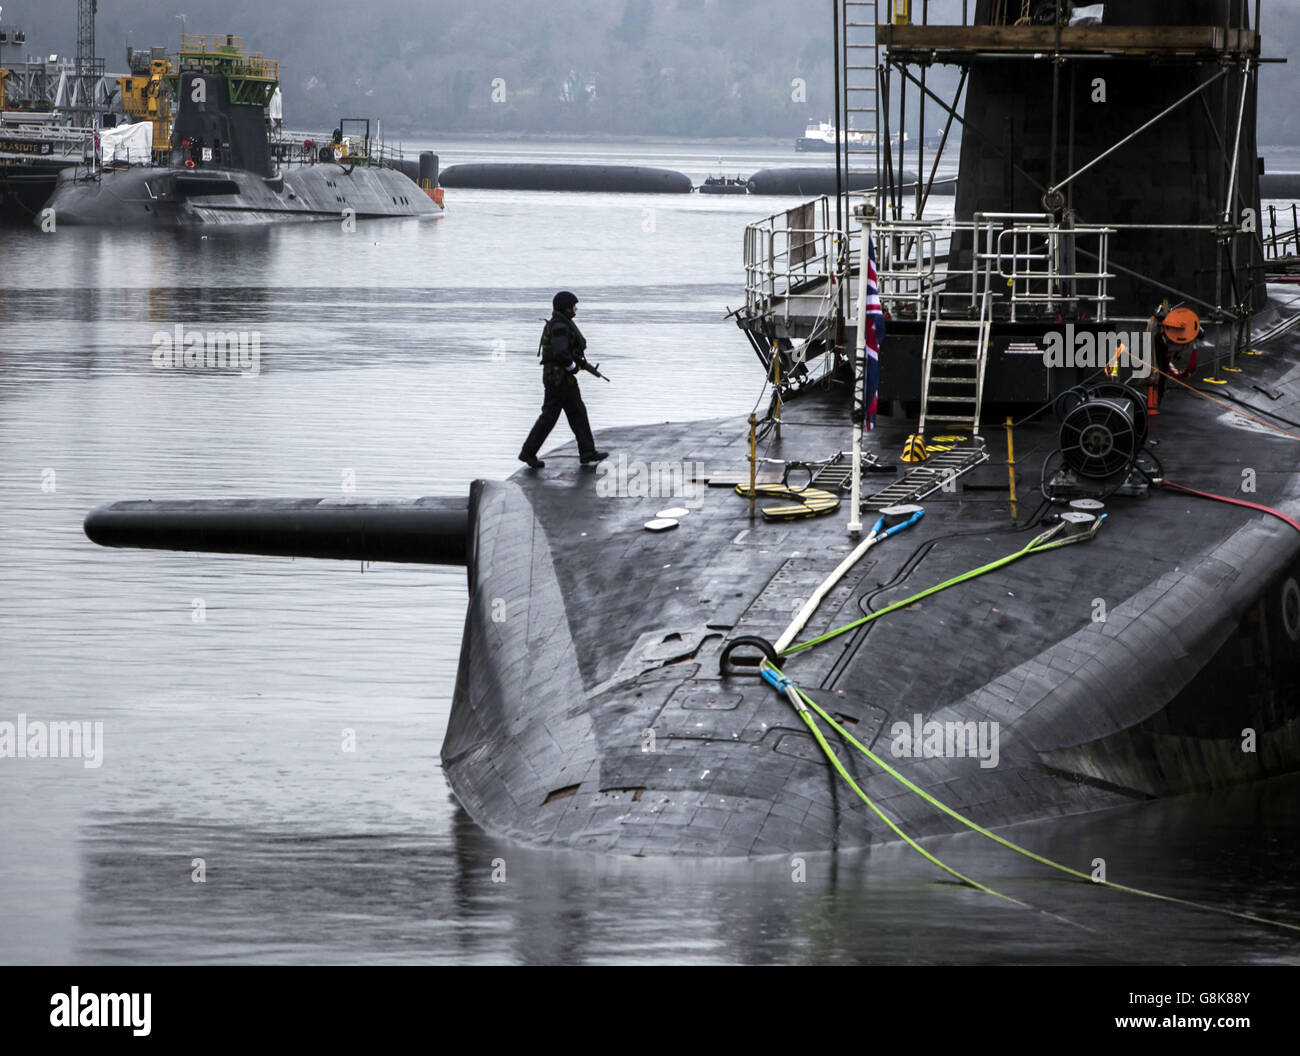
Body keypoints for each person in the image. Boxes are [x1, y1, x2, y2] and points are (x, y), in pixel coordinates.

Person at [519, 291, 608, 470]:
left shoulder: (561, 322)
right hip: (557, 378)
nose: (576, 308)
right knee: (550, 416)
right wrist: (572, 367)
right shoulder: (560, 325)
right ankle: (528, 453)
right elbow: (560, 352)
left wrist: (577, 364)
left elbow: (566, 351)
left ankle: (587, 452)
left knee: (578, 413)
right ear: (566, 307)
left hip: (563, 379)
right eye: (574, 305)